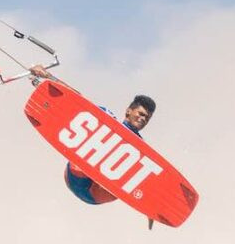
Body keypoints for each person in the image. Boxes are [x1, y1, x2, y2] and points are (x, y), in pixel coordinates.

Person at [30, 64, 156, 207]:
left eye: (147, 118)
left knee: (135, 161)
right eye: (141, 114)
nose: (143, 119)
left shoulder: (140, 145)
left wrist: (148, 206)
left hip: (98, 193)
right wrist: (47, 76)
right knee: (93, 122)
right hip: (75, 176)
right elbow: (75, 98)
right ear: (128, 111)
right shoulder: (106, 116)